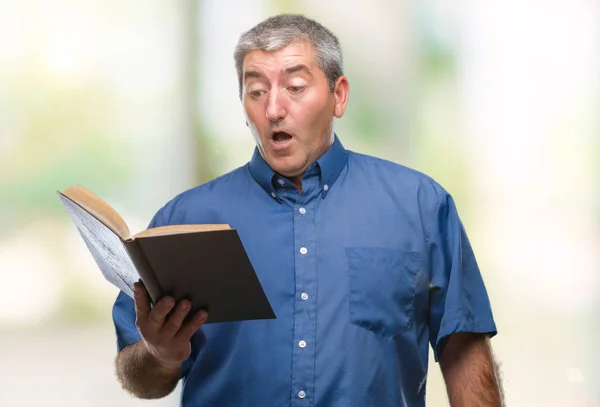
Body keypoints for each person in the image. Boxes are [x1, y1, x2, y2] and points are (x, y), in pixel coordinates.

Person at [112, 14, 503, 407]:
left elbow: (465, 350)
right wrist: (159, 355)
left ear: (339, 96)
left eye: (295, 87)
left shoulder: (421, 205)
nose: (274, 109)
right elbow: (139, 377)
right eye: (256, 91)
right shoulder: (183, 221)